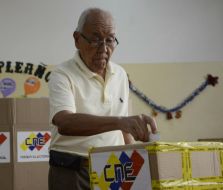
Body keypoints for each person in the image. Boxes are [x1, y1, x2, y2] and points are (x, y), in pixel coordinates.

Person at [48, 7, 158, 190]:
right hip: (72, 170)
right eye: (95, 39)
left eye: (110, 40)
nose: (104, 48)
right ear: (77, 39)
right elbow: (65, 122)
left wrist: (138, 161)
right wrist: (120, 122)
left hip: (113, 168)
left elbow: (123, 132)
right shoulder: (62, 74)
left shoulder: (120, 74)